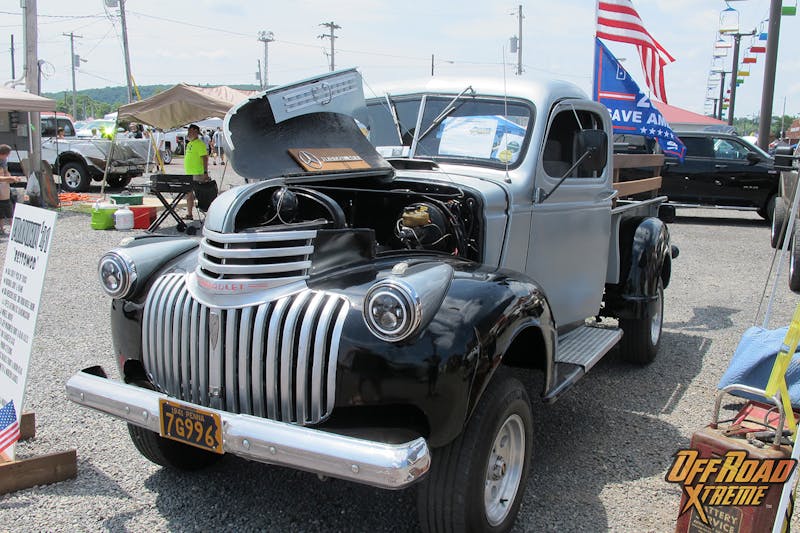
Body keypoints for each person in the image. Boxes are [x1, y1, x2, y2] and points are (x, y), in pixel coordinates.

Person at [183, 124, 209, 221]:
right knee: (189, 194)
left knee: (201, 195)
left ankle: (208, 214)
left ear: (195, 131)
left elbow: (205, 158)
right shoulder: (190, 143)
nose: (188, 133)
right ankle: (189, 214)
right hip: (189, 173)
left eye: (190, 131)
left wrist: (205, 172)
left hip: (198, 173)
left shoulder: (200, 144)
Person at [0, 145, 20, 235]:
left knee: (9, 206)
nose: (8, 156)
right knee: (5, 208)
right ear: (3, 154)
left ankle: (12, 229)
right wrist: (10, 178)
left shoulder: (3, 160)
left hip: (4, 188)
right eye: (7, 154)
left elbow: (6, 171)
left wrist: (11, 178)